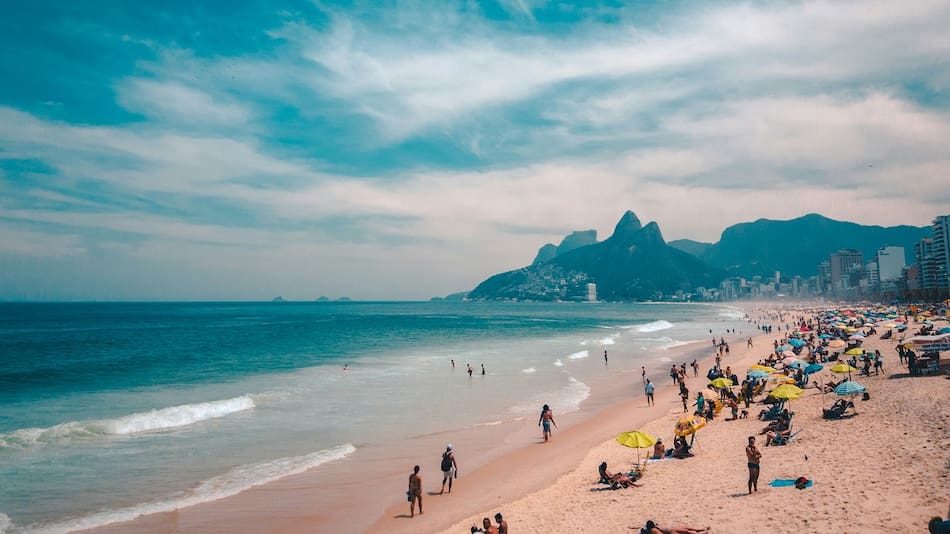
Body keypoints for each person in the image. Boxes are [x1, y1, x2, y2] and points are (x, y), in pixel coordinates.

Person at [640, 519, 710, 534]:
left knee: (685, 528)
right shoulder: (654, 531)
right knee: (686, 531)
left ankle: (700, 529)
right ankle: (701, 532)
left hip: (669, 530)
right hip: (669, 532)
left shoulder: (652, 528)